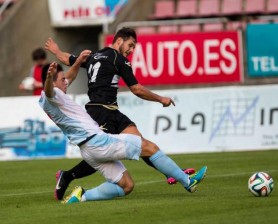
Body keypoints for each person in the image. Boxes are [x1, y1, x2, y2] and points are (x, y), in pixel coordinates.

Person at [45, 27, 195, 200]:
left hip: (113, 111)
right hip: (99, 112)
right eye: (130, 45)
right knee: (102, 154)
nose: (131, 51)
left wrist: (56, 50)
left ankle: (171, 173)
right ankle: (67, 176)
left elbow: (67, 58)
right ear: (118, 41)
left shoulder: (94, 56)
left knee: (142, 143)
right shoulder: (119, 59)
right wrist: (161, 99)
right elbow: (137, 89)